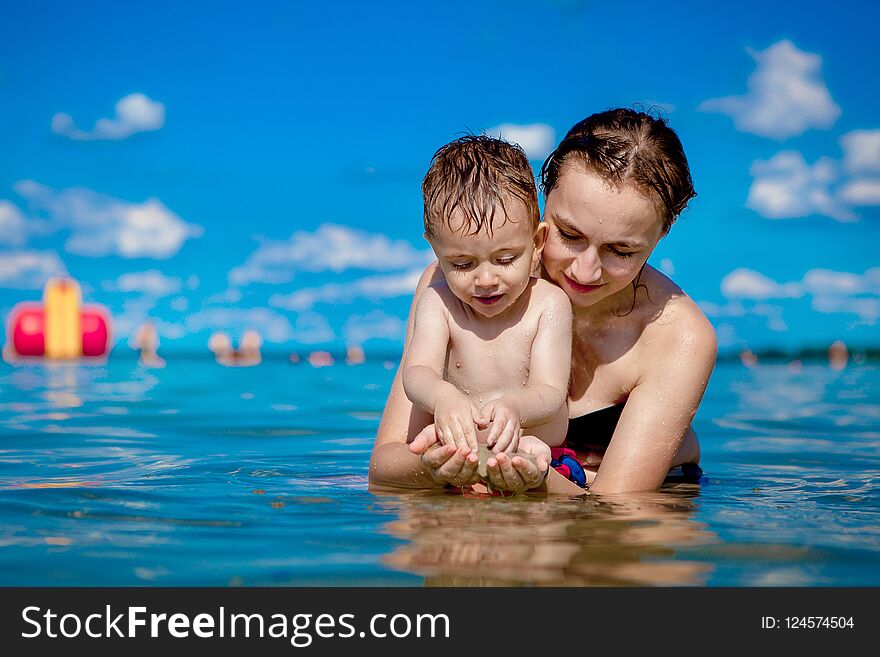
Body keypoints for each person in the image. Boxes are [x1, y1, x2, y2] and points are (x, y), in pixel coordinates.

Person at [369, 108, 716, 495]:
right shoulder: (461, 286)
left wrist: (527, 475)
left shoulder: (679, 337)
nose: (585, 272)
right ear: (541, 208)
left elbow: (617, 511)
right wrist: (442, 466)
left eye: (621, 251)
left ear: (662, 232)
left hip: (631, 502)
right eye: (568, 234)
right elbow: (386, 465)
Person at [401, 135, 573, 490]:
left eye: (505, 259)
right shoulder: (439, 302)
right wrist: (443, 397)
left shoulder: (549, 304)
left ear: (537, 243)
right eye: (462, 263)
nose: (486, 279)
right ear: (436, 251)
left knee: (534, 455)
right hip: (456, 444)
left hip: (537, 447)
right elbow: (417, 372)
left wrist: (515, 408)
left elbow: (551, 390)